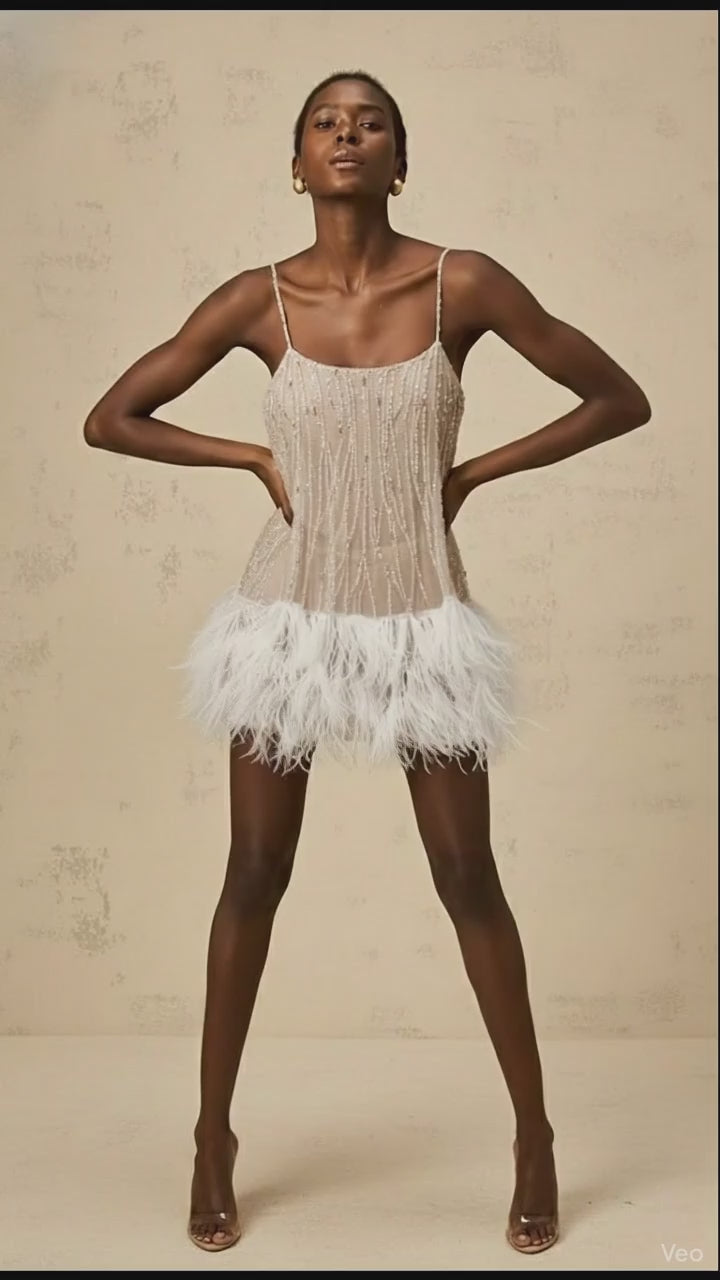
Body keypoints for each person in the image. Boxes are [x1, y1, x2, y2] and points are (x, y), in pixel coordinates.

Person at [83, 69, 651, 1256]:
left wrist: (474, 471)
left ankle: (535, 1134)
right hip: (287, 617)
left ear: (401, 157)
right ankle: (211, 1136)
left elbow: (618, 397)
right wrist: (249, 455)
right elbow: (111, 418)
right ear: (297, 163)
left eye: (371, 122)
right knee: (253, 870)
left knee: (467, 873)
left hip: (420, 615)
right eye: (325, 124)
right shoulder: (258, 300)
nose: (348, 135)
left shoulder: (462, 284)